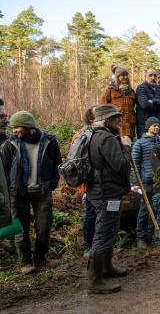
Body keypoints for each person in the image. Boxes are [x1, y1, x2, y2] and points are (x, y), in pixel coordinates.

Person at [2, 111, 62, 275]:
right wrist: (9, 192)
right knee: (20, 230)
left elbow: (58, 164)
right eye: (13, 127)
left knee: (43, 228)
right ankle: (25, 263)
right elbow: (4, 170)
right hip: (18, 193)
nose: (14, 130)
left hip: (42, 192)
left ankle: (41, 259)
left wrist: (52, 183)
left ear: (28, 127)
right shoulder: (10, 144)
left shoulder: (49, 142)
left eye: (17, 127)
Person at [86, 104, 132, 293]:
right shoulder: (106, 138)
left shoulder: (95, 135)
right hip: (106, 194)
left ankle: (107, 267)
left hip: (104, 192)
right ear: (106, 121)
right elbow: (121, 165)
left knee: (110, 230)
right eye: (115, 118)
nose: (119, 121)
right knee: (104, 233)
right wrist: (127, 147)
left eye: (119, 117)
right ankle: (95, 281)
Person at [68, 106, 96, 256]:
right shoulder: (82, 135)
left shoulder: (103, 133)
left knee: (102, 215)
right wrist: (83, 186)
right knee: (91, 214)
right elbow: (75, 161)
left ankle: (101, 245)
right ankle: (88, 246)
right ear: (91, 118)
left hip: (103, 182)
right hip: (89, 182)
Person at [131, 117, 160, 248]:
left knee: (157, 209)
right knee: (144, 210)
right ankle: (140, 237)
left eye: (158, 125)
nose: (157, 127)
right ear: (148, 127)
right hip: (146, 181)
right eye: (154, 125)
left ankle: (153, 235)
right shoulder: (140, 143)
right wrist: (135, 183)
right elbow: (134, 164)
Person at [99, 65, 137, 138]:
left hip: (129, 128)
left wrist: (133, 120)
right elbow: (103, 107)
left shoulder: (131, 92)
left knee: (128, 148)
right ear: (117, 77)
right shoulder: (110, 90)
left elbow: (133, 110)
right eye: (122, 75)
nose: (125, 77)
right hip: (115, 128)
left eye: (126, 75)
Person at [135, 69, 160, 138]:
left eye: (155, 76)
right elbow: (145, 105)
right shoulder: (141, 88)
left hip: (157, 126)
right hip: (144, 126)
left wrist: (154, 101)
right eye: (150, 75)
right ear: (145, 77)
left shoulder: (159, 90)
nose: (153, 78)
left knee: (156, 146)